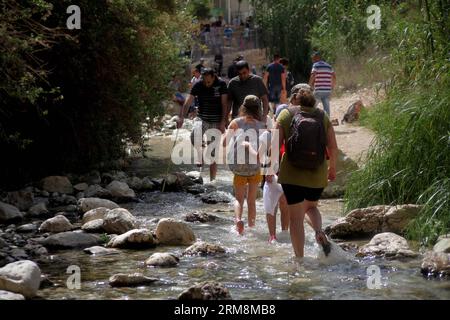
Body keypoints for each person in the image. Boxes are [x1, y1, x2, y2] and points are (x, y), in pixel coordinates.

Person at [273, 88, 338, 258]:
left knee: (296, 219)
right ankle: (318, 231)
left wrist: (274, 167)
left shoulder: (286, 114)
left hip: (291, 173)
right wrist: (332, 169)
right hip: (317, 172)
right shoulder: (322, 116)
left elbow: (274, 144)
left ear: (296, 100)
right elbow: (332, 146)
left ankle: (299, 259)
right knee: (311, 207)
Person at [223, 95, 266, 235]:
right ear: (258, 109)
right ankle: (252, 227)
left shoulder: (236, 122)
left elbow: (224, 142)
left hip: (239, 167)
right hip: (254, 167)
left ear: (243, 107)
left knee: (239, 199)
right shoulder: (262, 125)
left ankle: (238, 221)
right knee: (252, 200)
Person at [177, 68, 228, 181]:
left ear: (213, 77)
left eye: (208, 81)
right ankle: (200, 156)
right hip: (202, 118)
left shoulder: (221, 84)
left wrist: (223, 122)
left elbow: (224, 103)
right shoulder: (199, 85)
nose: (206, 83)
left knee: (213, 153)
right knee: (194, 136)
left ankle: (212, 181)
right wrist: (181, 118)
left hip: (216, 120)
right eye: (204, 80)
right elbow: (188, 102)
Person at [309, 51, 336, 118]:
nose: (312, 61)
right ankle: (327, 122)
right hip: (327, 90)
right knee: (326, 107)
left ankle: (310, 120)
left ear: (316, 58)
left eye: (313, 59)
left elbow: (313, 75)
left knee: (312, 106)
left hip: (318, 89)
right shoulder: (329, 66)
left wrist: (309, 85)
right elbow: (334, 76)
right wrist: (332, 86)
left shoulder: (316, 65)